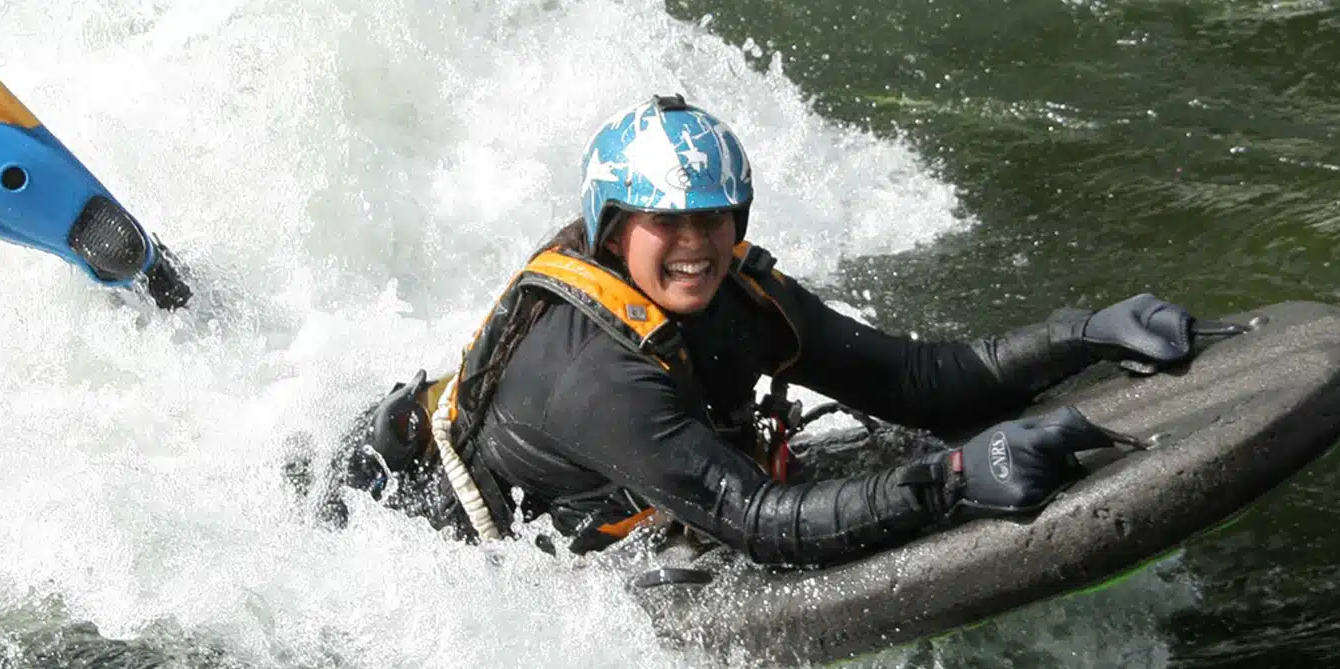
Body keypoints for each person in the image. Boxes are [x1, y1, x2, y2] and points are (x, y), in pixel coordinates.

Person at [321, 94, 1202, 569]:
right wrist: (951, 480)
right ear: (613, 226)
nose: (698, 245)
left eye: (716, 217)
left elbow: (913, 379)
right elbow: (763, 523)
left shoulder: (740, 293)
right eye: (668, 221)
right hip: (401, 523)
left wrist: (1081, 332)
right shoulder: (590, 373)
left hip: (640, 481)